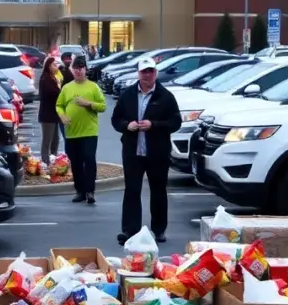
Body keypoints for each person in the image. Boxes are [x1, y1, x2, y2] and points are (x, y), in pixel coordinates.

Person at [111, 56, 181, 245]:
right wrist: (128, 125)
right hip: (133, 151)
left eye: (151, 71)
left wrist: (154, 125)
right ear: (139, 73)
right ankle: (130, 231)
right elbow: (116, 119)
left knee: (158, 191)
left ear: (155, 73)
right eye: (144, 72)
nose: (147, 75)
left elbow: (175, 122)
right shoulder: (128, 94)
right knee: (132, 190)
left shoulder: (165, 96)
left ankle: (159, 230)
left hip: (157, 152)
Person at [56, 56, 106, 204]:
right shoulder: (67, 88)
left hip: (89, 131)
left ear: (85, 70)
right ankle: (80, 191)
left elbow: (103, 106)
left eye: (81, 68)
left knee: (89, 159)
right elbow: (59, 105)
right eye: (75, 68)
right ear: (72, 70)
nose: (78, 71)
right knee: (76, 162)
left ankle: (90, 191)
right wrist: (62, 115)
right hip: (71, 132)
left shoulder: (93, 87)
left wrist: (89, 104)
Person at [37, 56, 62, 165]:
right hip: (47, 114)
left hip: (54, 114)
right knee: (47, 139)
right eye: (54, 65)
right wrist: (59, 86)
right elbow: (53, 93)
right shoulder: (45, 78)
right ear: (48, 66)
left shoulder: (53, 77)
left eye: (56, 65)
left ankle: (54, 159)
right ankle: (45, 161)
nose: (56, 67)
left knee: (55, 139)